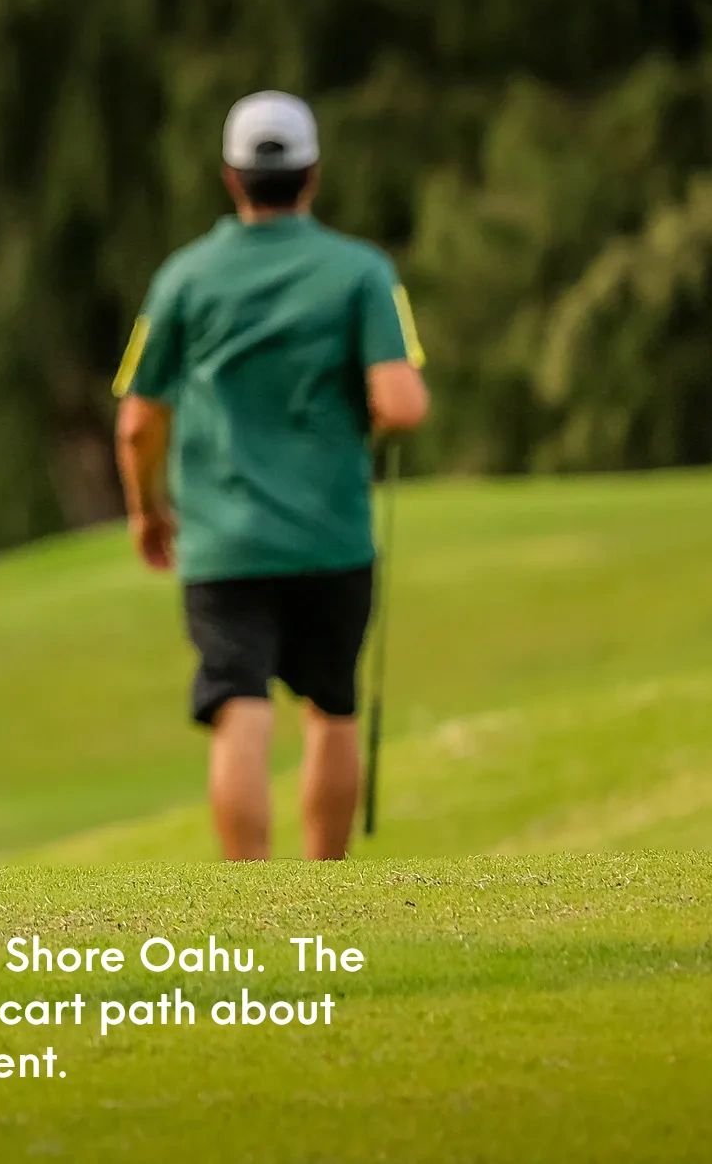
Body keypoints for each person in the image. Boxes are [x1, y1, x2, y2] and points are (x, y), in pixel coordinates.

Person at [112, 91, 431, 862]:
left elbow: (136, 421)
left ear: (231, 178)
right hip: (332, 535)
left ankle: (252, 901)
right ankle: (324, 899)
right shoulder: (361, 271)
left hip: (225, 540)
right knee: (332, 706)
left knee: (238, 703)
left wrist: (147, 512)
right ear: (313, 173)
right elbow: (402, 402)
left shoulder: (184, 278)